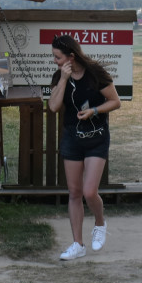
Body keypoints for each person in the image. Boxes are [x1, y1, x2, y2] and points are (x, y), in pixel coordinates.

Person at [48, 34, 122, 260]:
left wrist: (95, 111)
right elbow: (53, 107)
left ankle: (100, 222)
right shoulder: (59, 76)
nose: (55, 61)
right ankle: (77, 244)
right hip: (72, 138)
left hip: (97, 138)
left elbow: (115, 101)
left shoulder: (95, 73)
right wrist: (62, 79)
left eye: (58, 58)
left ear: (71, 56)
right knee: (74, 192)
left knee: (90, 191)